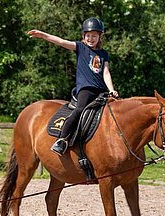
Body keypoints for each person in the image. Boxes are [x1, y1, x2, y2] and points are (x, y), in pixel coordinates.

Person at [27, 17, 119, 156]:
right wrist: (43, 35)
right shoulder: (80, 48)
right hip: (86, 90)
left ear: (100, 37)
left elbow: (106, 72)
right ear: (83, 36)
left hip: (101, 91)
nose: (91, 38)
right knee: (79, 109)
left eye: (94, 36)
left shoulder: (103, 54)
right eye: (88, 35)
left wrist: (111, 90)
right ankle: (62, 140)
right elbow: (61, 41)